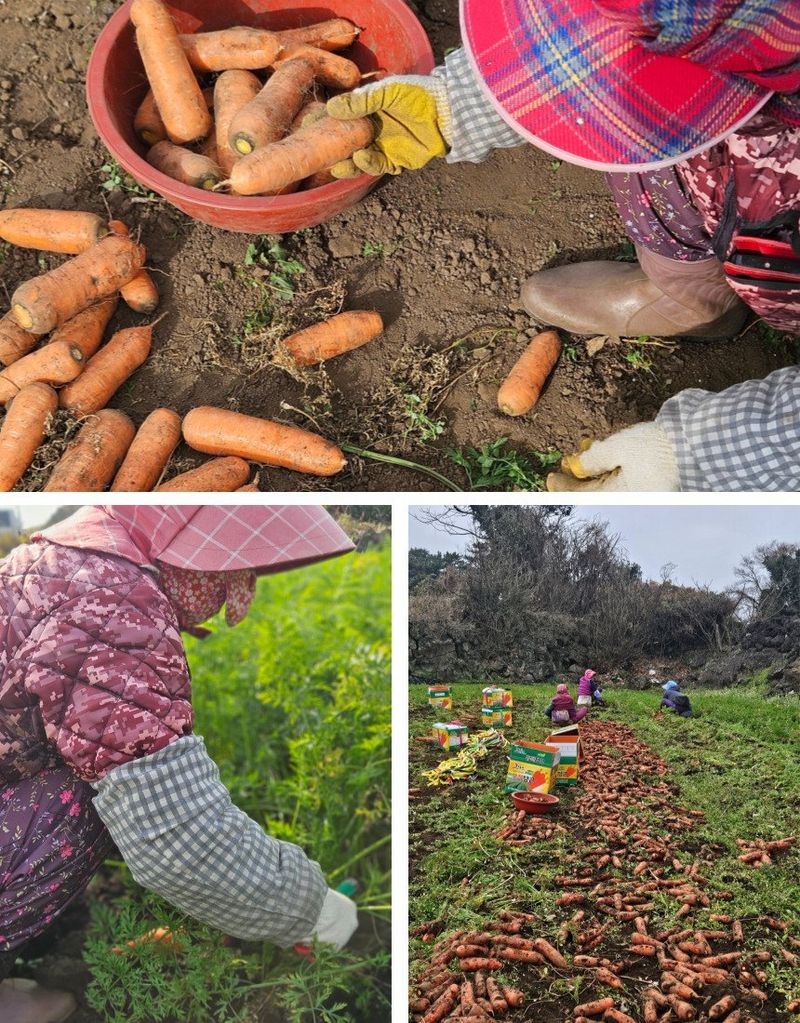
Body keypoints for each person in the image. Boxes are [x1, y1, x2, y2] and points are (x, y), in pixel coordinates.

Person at [327, 0, 800, 491]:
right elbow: (597, 34)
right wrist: (460, 106)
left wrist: (697, 457)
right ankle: (692, 295)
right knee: (636, 132)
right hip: (711, 141)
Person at [0, 505, 358, 1023]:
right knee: (89, 796)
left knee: (101, 764)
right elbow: (173, 828)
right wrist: (311, 912)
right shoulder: (109, 599)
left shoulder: (63, 562)